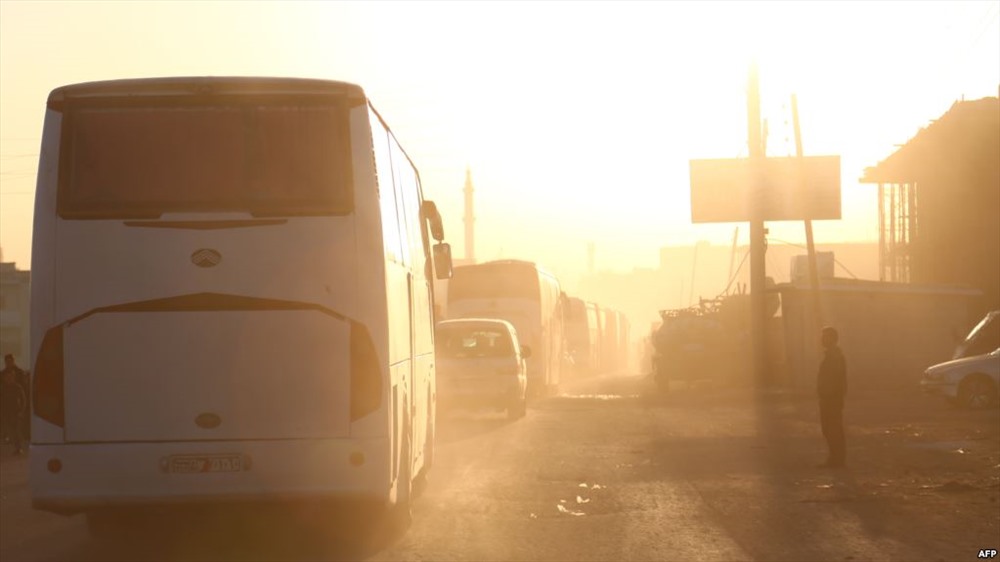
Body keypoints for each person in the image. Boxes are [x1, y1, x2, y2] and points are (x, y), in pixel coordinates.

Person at [816, 327, 847, 468]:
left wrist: (831, 395)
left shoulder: (835, 357)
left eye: (826, 336)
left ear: (833, 338)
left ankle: (838, 459)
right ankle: (835, 458)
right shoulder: (831, 355)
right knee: (828, 429)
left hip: (832, 399)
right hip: (828, 398)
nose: (822, 339)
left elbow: (837, 380)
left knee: (833, 429)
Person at [1, 355, 28, 455]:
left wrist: (22, 410)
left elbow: (24, 397)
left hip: (16, 410)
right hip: (6, 410)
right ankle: (15, 445)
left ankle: (19, 447)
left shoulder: (18, 382)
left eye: (10, 361)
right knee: (11, 430)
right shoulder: (3, 387)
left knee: (17, 430)